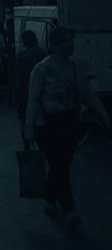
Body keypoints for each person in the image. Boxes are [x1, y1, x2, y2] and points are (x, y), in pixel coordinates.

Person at [24, 27, 111, 233]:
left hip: (71, 123)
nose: (70, 44)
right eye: (65, 41)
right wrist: (29, 128)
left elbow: (89, 95)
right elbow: (33, 100)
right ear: (54, 45)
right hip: (47, 125)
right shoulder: (41, 69)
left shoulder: (76, 67)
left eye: (71, 40)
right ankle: (69, 210)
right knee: (60, 166)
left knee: (60, 166)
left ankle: (50, 199)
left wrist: (105, 116)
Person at [14, 30, 46, 147]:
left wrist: (16, 98)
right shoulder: (44, 54)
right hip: (42, 94)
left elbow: (17, 80)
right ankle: (42, 145)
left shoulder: (21, 56)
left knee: (24, 119)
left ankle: (27, 145)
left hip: (25, 94)